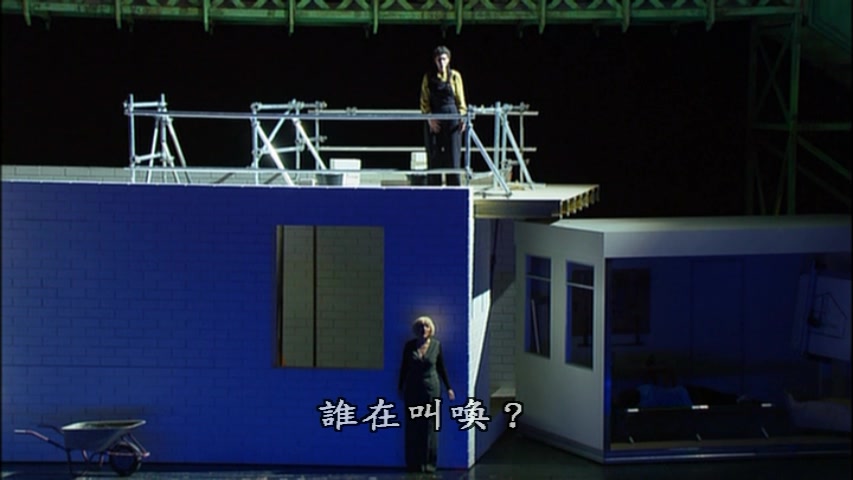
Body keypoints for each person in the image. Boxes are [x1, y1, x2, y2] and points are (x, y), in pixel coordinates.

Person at [398, 316, 455, 473]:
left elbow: (441, 367)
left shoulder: (436, 345)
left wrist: (448, 387)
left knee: (429, 427)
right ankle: (414, 463)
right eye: (420, 326)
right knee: (413, 426)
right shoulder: (410, 346)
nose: (423, 329)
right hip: (413, 389)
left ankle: (429, 464)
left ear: (430, 330)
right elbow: (404, 367)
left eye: (426, 326)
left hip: (431, 389)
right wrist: (400, 386)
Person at [418, 45, 467, 186]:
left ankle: (454, 188)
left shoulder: (455, 76)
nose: (441, 62)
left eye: (444, 59)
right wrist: (429, 118)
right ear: (435, 61)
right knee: (434, 154)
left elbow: (461, 100)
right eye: (439, 59)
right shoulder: (428, 77)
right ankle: (434, 188)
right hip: (435, 117)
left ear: (449, 60)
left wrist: (462, 117)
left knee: (453, 155)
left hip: (452, 117)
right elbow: (424, 101)